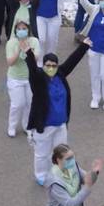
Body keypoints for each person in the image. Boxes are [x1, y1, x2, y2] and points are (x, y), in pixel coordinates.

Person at [25, 39, 90, 185]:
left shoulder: (60, 74)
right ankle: (41, 175)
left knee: (62, 152)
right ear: (44, 65)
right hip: (44, 126)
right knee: (42, 154)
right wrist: (28, 53)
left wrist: (84, 46)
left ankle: (62, 173)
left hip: (60, 124)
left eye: (54, 65)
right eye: (48, 65)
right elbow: (32, 69)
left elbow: (72, 61)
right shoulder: (39, 79)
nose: (51, 68)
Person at [6, 19, 41, 137]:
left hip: (30, 78)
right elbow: (10, 62)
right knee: (18, 104)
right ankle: (12, 126)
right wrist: (19, 50)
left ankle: (27, 125)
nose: (21, 31)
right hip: (15, 78)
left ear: (28, 30)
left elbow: (35, 60)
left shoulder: (34, 41)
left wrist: (27, 50)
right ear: (15, 30)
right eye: (19, 29)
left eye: (24, 29)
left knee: (29, 103)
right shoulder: (11, 43)